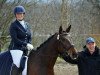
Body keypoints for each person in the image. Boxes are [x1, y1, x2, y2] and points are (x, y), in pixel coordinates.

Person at [8, 5, 34, 75]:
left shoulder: (27, 25)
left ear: (24, 14)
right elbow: (15, 40)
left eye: (21, 13)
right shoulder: (13, 25)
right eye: (18, 14)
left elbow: (29, 36)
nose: (20, 15)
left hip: (26, 49)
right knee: (17, 64)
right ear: (15, 15)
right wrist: (26, 44)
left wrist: (29, 44)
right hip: (16, 49)